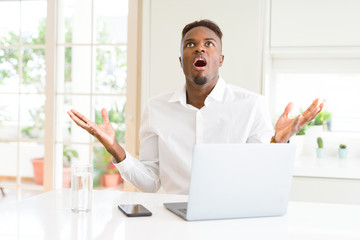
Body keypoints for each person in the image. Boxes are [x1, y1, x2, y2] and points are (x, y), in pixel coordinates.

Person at [68, 19, 323, 194]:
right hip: (170, 218)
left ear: (220, 59)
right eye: (190, 44)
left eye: (209, 43)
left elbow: (260, 174)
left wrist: (278, 143)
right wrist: (114, 147)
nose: (199, 47)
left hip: (230, 218)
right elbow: (150, 182)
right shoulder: (156, 108)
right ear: (181, 61)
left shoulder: (252, 105)